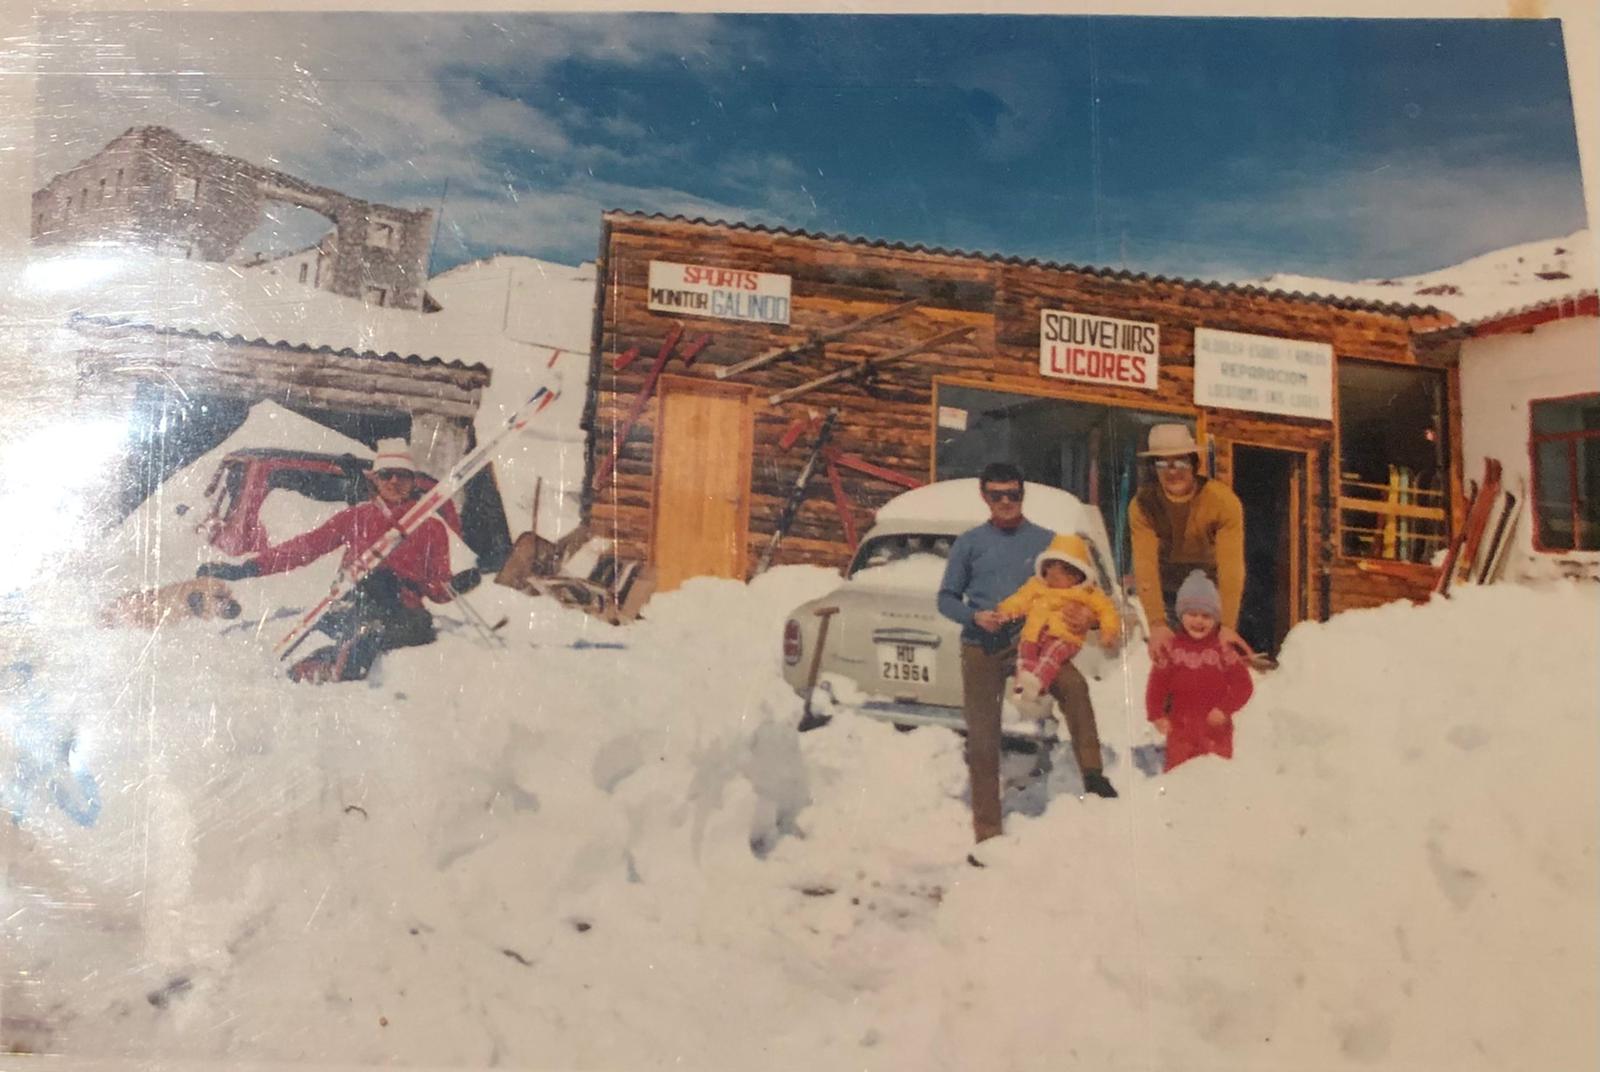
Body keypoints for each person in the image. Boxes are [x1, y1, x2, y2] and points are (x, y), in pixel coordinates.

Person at [197, 439, 481, 683]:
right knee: (369, 598)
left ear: (413, 482)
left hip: (402, 610)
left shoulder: (430, 527)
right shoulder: (357, 517)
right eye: (387, 475)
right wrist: (246, 569)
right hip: (353, 601)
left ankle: (337, 661)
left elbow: (435, 588)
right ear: (376, 480)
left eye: (402, 476)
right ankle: (328, 664)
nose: (394, 481)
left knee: (404, 620)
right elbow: (306, 548)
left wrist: (456, 585)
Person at [938, 463, 1118, 847]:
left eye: (1013, 494)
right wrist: (973, 616)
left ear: (1022, 495)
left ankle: (1095, 779)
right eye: (997, 495)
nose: (1006, 502)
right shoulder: (969, 543)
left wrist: (1088, 619)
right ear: (984, 496)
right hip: (982, 644)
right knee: (984, 738)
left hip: (1034, 643)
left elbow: (1089, 592)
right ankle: (988, 835)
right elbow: (946, 599)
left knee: (1076, 688)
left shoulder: (1049, 541)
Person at [1128, 423, 1249, 661]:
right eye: (1162, 463)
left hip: (1209, 591)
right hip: (1167, 588)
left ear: (1194, 462)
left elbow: (1231, 567)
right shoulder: (1143, 505)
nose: (1172, 471)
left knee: (1210, 661)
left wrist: (1227, 625)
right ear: (1154, 469)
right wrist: (1156, 623)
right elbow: (1145, 565)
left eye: (1180, 461)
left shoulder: (1222, 501)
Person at [995, 533, 1120, 719]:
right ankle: (1022, 694)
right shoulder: (1036, 586)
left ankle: (1037, 685)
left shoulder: (1086, 593)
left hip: (1064, 636)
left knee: (1050, 657)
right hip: (1034, 633)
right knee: (1025, 657)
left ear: (1076, 576)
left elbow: (1107, 611)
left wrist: (1108, 632)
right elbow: (1020, 600)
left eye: (1059, 572)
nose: (1051, 575)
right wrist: (1005, 611)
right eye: (1048, 569)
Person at [1144, 570, 1255, 771]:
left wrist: (1225, 709)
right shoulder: (1172, 648)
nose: (1199, 621)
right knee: (1180, 776)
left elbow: (1243, 685)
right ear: (1181, 615)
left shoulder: (1223, 649)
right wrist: (1157, 714)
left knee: (1215, 775)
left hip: (1215, 730)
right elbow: (1157, 684)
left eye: (1206, 615)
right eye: (1192, 614)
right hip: (1181, 728)